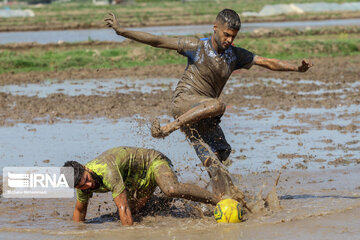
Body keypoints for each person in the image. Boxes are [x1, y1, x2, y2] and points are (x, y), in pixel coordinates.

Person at [104, 9, 312, 202]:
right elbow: (157, 41)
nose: (229, 40)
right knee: (218, 105)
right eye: (226, 35)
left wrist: (296, 68)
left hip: (204, 114)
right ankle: (169, 128)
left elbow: (266, 62)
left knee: (219, 157)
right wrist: (122, 31)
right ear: (215, 28)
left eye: (233, 36)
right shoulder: (197, 47)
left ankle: (216, 201)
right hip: (184, 103)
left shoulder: (235, 55)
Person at [64, 147, 220, 226]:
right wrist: (78, 233)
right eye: (82, 186)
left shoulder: (107, 170)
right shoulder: (82, 185)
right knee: (136, 213)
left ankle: (218, 200)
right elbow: (80, 211)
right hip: (135, 180)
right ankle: (162, 202)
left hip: (153, 162)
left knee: (171, 189)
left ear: (86, 168)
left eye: (87, 179)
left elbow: (123, 208)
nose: (89, 185)